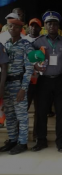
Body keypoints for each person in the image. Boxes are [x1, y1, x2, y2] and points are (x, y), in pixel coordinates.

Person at [31, 11, 62, 153]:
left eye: (54, 23)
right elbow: (31, 60)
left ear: (58, 26)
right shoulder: (38, 42)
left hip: (60, 80)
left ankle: (60, 142)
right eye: (49, 23)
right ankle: (41, 140)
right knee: (41, 112)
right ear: (45, 26)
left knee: (61, 112)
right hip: (43, 80)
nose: (52, 26)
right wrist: (35, 65)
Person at [0, 18, 34, 155]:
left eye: (14, 27)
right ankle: (13, 140)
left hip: (19, 84)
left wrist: (23, 88)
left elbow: (30, 68)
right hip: (7, 84)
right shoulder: (6, 44)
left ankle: (23, 142)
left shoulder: (27, 45)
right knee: (10, 115)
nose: (11, 29)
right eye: (9, 27)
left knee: (22, 116)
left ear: (21, 29)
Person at [23, 18, 42, 140]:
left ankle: (37, 134)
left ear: (40, 28)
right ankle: (22, 136)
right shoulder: (23, 41)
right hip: (27, 79)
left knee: (39, 110)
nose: (34, 28)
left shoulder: (43, 41)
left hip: (41, 79)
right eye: (32, 26)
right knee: (24, 108)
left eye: (36, 26)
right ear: (28, 27)